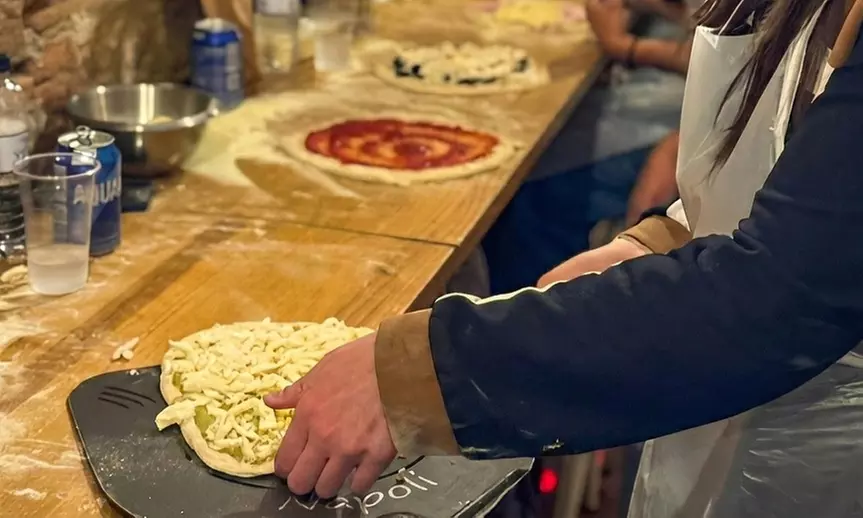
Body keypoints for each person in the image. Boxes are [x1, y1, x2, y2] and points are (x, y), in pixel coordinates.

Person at [264, 1, 863, 517]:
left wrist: (415, 374)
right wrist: (663, 239)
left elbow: (780, 295)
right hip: (745, 406)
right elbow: (810, 192)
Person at [483, 0, 689, 294]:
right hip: (677, 110)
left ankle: (529, 313)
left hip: (679, 128)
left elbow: (731, 57)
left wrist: (623, 46)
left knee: (525, 179)